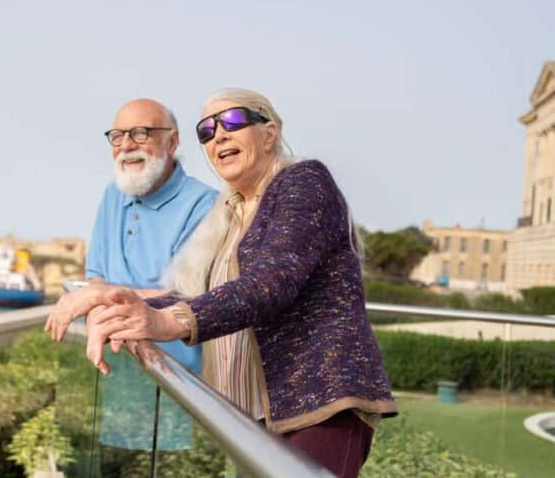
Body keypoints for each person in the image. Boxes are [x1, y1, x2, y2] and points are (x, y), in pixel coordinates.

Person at [79, 89, 398, 477]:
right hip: (251, 415)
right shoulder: (229, 213)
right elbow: (202, 297)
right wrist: (116, 305)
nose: (219, 135)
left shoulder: (303, 181)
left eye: (232, 121)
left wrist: (168, 322)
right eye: (207, 131)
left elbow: (269, 284)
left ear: (269, 133)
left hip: (317, 404)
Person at [46, 98, 217, 454]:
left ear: (171, 141)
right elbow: (96, 278)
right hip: (114, 376)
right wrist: (99, 294)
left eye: (140, 134)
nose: (126, 145)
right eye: (117, 136)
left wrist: (100, 296)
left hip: (174, 383)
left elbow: (192, 296)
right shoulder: (114, 192)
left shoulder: (206, 205)